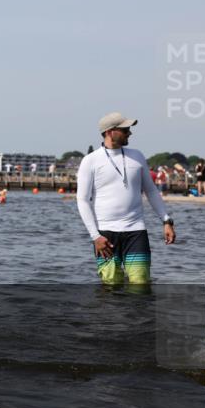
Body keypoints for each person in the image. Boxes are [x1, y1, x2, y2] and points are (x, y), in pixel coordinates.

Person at [76, 112, 176, 284]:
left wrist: (166, 220)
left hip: (136, 232)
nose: (129, 133)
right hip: (105, 235)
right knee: (111, 286)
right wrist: (95, 236)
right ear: (110, 132)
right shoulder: (90, 160)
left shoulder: (137, 156)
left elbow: (151, 191)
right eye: (125, 130)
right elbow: (83, 200)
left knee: (140, 284)